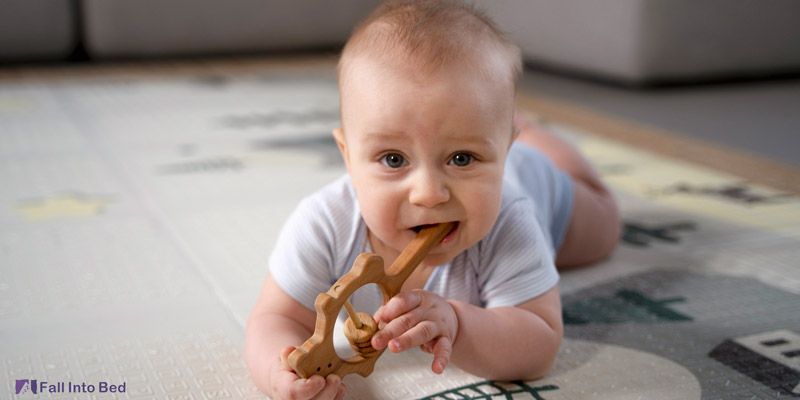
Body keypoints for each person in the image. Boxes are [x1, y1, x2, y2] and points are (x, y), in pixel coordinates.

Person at [245, 1, 619, 398]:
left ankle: (534, 136)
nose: (429, 193)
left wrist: (459, 324)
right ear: (348, 158)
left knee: (606, 224)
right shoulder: (324, 223)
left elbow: (539, 343)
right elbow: (275, 317)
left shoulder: (510, 220)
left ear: (502, 152)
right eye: (393, 159)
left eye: (462, 158)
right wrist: (278, 372)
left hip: (544, 188)